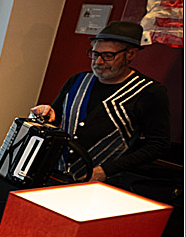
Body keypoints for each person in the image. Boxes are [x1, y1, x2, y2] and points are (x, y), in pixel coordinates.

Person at [30, 21, 170, 184]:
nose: (98, 62)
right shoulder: (77, 80)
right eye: (95, 54)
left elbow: (158, 145)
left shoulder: (150, 92)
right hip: (54, 175)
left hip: (101, 185)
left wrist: (107, 170)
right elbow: (54, 117)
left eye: (108, 56)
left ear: (130, 54)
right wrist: (46, 114)